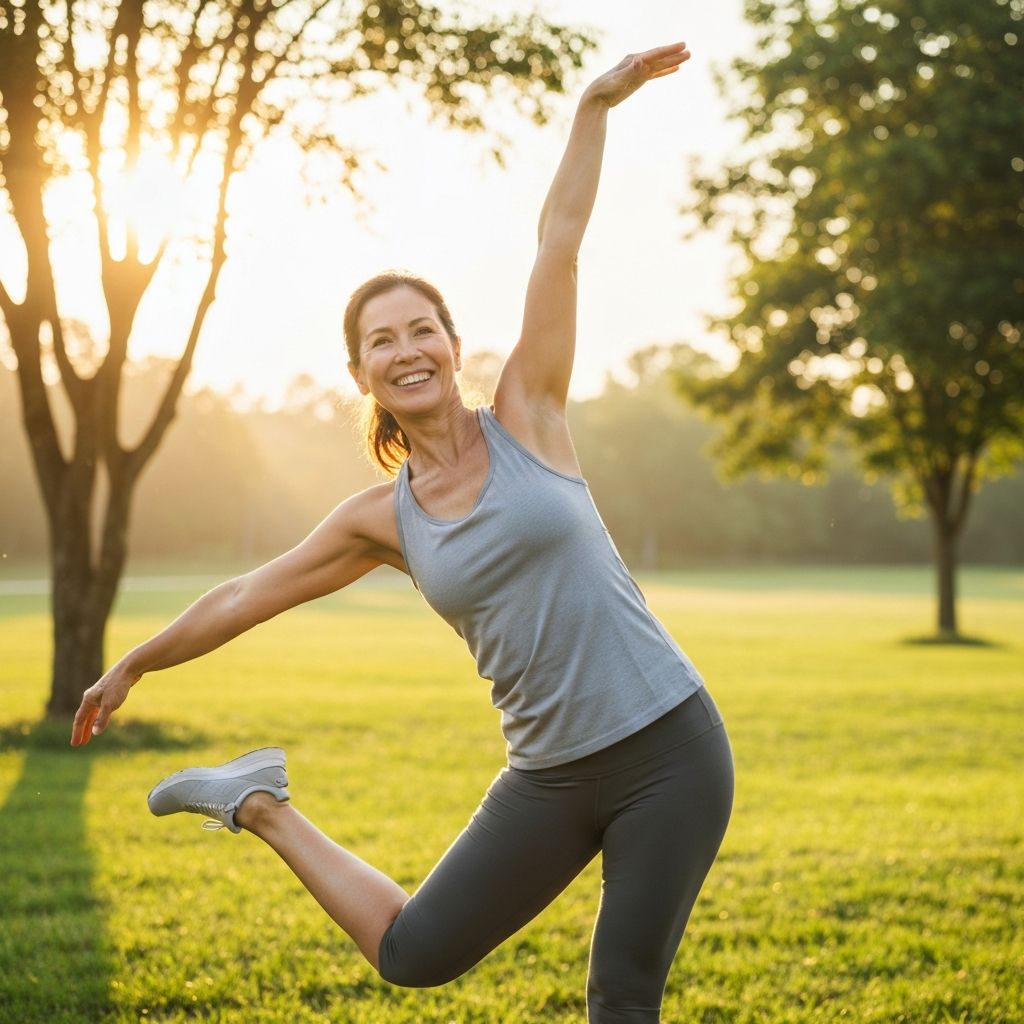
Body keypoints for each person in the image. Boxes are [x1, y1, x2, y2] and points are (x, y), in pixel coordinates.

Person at [71, 41, 733, 1023]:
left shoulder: (531, 415)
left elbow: (557, 243)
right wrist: (134, 662)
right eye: (381, 340)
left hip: (669, 748)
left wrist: (594, 107)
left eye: (422, 329)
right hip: (548, 773)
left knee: (622, 991)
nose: (407, 348)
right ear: (362, 375)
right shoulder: (381, 520)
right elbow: (245, 594)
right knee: (412, 953)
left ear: (454, 347)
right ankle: (258, 802)